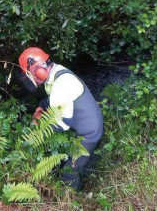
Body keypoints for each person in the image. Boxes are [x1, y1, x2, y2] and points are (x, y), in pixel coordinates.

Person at [18, 47, 103, 190]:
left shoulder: (62, 83)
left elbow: (63, 124)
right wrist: (41, 107)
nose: (31, 80)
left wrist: (38, 133)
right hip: (83, 123)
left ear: (39, 70)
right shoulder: (56, 73)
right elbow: (54, 99)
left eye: (30, 75)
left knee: (69, 172)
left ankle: (73, 199)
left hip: (89, 133)